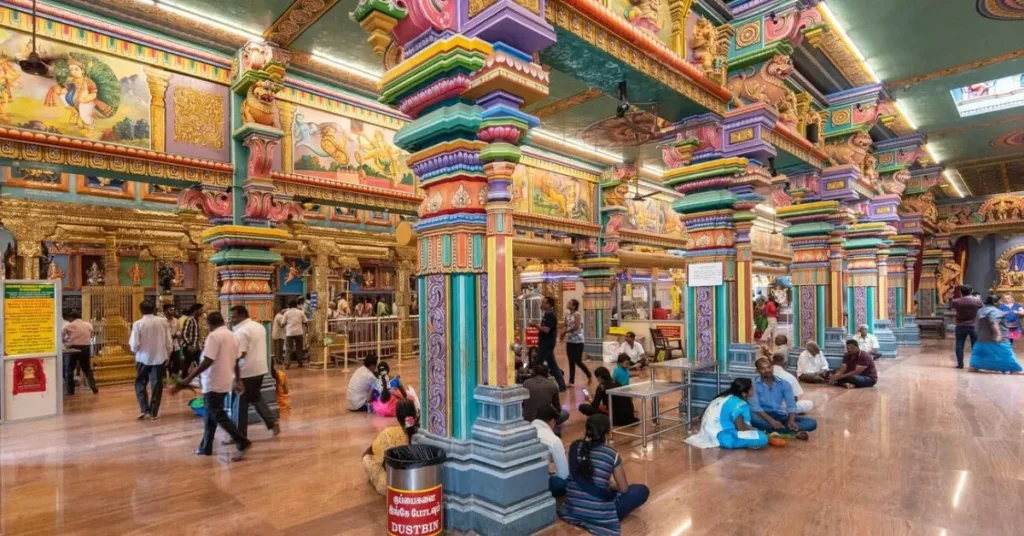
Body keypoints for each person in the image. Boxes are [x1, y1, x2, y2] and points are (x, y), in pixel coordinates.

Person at [172, 312, 251, 461]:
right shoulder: (232, 335)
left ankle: (242, 440)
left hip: (213, 382)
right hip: (225, 380)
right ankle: (206, 447)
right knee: (210, 416)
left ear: (209, 323)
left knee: (218, 415)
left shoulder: (214, 337)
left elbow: (207, 361)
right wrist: (238, 380)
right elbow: (236, 360)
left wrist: (187, 379)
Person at [560, 414, 649, 534]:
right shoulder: (611, 454)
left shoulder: (575, 447)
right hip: (599, 514)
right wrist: (610, 486)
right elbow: (623, 489)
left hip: (571, 510)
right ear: (607, 433)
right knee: (641, 490)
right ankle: (608, 515)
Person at [229, 305, 280, 439]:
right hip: (260, 369)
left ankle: (240, 438)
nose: (231, 320)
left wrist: (236, 376)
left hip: (246, 371)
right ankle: (271, 422)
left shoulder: (242, 332)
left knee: (240, 406)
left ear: (241, 316)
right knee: (255, 397)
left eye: (234, 317)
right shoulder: (259, 327)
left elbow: (240, 354)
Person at [685, 378, 768, 450]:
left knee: (756, 431)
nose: (754, 390)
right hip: (722, 437)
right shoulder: (739, 404)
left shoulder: (724, 397)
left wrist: (752, 429)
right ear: (744, 392)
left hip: (707, 434)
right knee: (762, 437)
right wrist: (754, 430)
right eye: (752, 388)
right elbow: (741, 428)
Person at [749, 357, 816, 437]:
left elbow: (791, 405)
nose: (767, 370)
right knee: (753, 419)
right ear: (757, 371)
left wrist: (791, 420)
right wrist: (771, 421)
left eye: (769, 367)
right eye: (763, 368)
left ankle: (774, 431)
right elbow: (755, 406)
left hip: (780, 415)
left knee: (812, 423)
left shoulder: (784, 384)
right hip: (762, 416)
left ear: (773, 367)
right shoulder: (753, 384)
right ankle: (789, 431)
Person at [362, 399, 418, 495]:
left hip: (392, 487)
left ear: (397, 416)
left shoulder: (388, 433)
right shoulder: (422, 434)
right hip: (418, 482)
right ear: (415, 414)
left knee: (367, 458)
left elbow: (375, 452)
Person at [129, 300, 172, 421]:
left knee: (139, 383)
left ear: (140, 310)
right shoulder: (163, 322)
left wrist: (136, 350)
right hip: (159, 357)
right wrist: (168, 355)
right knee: (157, 385)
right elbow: (168, 341)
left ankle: (144, 408)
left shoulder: (138, 324)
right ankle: (154, 412)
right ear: (154, 309)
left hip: (143, 358)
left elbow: (135, 344)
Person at [970, 295, 1024, 373]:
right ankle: (1013, 369)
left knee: (979, 355)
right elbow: (993, 321)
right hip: (997, 339)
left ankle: (974, 367)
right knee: (1006, 354)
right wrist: (998, 334)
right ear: (995, 302)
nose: (1001, 302)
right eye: (1000, 301)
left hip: (982, 338)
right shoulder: (995, 311)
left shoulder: (981, 310)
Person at [532, 405, 570, 497]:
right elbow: (563, 474)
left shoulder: (525, 430)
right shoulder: (553, 440)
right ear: (553, 421)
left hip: (519, 482)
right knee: (566, 482)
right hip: (539, 486)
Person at [530, 296, 566, 391]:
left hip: (547, 343)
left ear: (549, 304)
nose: (542, 304)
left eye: (544, 302)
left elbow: (546, 330)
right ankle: (562, 385)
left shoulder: (550, 315)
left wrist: (535, 325)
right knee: (552, 365)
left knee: (538, 363)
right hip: (545, 342)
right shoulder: (547, 314)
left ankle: (533, 384)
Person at [523, 363, 569, 431]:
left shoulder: (525, 383)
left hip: (527, 418)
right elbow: (557, 407)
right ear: (547, 373)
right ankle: (549, 425)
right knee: (565, 413)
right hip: (544, 420)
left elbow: (522, 403)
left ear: (533, 372)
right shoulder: (552, 385)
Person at [62, 310, 97, 395]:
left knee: (69, 369)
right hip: (86, 348)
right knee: (87, 369)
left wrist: (68, 339)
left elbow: (62, 336)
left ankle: (70, 391)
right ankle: (93, 387)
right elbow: (92, 334)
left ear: (71, 318)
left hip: (73, 348)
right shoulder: (89, 325)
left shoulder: (69, 326)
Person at [951, 284, 983, 369]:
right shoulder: (977, 301)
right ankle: (975, 365)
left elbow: (951, 306)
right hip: (974, 325)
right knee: (975, 346)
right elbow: (982, 309)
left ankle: (960, 364)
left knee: (959, 345)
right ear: (971, 291)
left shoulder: (956, 301)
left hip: (960, 325)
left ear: (960, 292)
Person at [561, 298, 591, 386]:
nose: (568, 304)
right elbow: (565, 325)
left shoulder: (577, 314)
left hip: (578, 341)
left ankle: (589, 375)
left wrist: (565, 332)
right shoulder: (567, 314)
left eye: (570, 303)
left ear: (574, 306)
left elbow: (576, 326)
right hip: (570, 341)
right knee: (571, 361)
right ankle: (571, 381)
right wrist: (562, 333)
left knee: (578, 361)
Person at [278, 298, 308, 368]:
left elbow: (282, 324)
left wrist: (285, 325)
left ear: (289, 305)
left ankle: (287, 364)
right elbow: (305, 322)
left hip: (289, 333)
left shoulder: (286, 313)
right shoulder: (300, 312)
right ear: (296, 305)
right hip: (299, 332)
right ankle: (300, 363)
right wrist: (306, 329)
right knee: (299, 348)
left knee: (288, 349)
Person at [181, 304, 204, 374]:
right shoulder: (189, 320)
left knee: (201, 363)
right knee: (186, 365)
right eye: (200, 310)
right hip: (189, 347)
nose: (202, 312)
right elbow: (184, 334)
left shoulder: (196, 320)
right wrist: (190, 345)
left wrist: (198, 345)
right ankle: (183, 381)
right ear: (195, 310)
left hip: (196, 347)